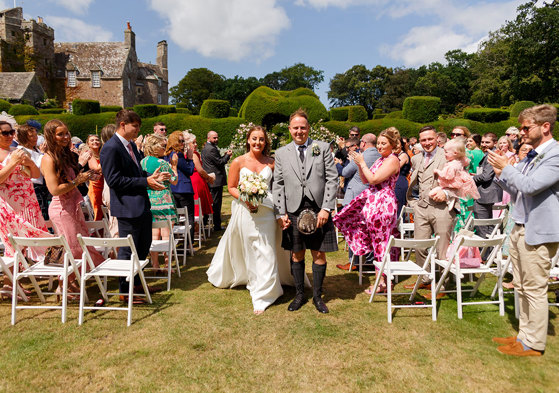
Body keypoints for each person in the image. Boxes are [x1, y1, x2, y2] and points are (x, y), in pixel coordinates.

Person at [488, 104, 559, 357]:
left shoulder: (555, 155)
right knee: (521, 286)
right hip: (520, 227)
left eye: (526, 127)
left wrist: (506, 167)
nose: (521, 132)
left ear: (545, 127)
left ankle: (534, 344)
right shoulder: (532, 156)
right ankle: (523, 336)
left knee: (534, 288)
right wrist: (501, 172)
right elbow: (517, 191)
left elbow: (530, 186)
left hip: (538, 232)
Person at [208, 126, 295, 314]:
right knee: (252, 250)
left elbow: (279, 189)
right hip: (246, 212)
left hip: (267, 212)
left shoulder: (272, 163)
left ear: (266, 142)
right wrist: (246, 199)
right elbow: (231, 187)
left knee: (268, 249)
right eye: (254, 139)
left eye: (261, 139)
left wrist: (282, 211)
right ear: (248, 140)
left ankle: (265, 294)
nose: (258, 142)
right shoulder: (238, 162)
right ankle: (256, 282)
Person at [273, 109, 338, 314]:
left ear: (308, 128)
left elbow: (332, 179)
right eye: (295, 128)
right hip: (292, 208)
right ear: (290, 130)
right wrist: (280, 212)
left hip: (319, 207)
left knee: (319, 254)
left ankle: (318, 297)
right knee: (296, 254)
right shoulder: (282, 153)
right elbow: (278, 184)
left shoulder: (323, 147)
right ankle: (300, 295)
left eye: (303, 127)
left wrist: (326, 208)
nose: (299, 131)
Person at [100, 109, 169, 303]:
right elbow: (114, 180)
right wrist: (145, 182)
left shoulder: (130, 146)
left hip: (141, 205)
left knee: (142, 246)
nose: (138, 130)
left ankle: (138, 284)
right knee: (128, 250)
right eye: (135, 126)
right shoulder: (111, 148)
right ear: (123, 125)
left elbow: (137, 174)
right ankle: (125, 290)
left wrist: (151, 179)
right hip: (127, 207)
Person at [42, 119, 105, 298]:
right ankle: (64, 285)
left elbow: (71, 178)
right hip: (61, 209)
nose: (65, 137)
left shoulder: (66, 154)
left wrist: (87, 176)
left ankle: (71, 282)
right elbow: (54, 189)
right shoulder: (48, 159)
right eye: (60, 134)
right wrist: (78, 180)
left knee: (78, 244)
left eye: (66, 133)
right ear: (51, 136)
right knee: (70, 246)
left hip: (73, 206)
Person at [333, 128, 400, 294]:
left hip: (384, 204)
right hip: (373, 202)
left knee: (382, 243)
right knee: (376, 242)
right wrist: (359, 165)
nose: (380, 146)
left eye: (384, 143)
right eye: (378, 143)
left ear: (392, 145)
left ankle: (382, 281)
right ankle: (381, 279)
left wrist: (362, 163)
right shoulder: (380, 160)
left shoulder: (392, 160)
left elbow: (375, 179)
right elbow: (366, 180)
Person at [0, 121, 51, 297]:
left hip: (28, 200)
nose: (9, 136)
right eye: (4, 133)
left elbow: (36, 176)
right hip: (9, 204)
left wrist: (30, 163)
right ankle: (10, 284)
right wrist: (12, 163)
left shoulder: (17, 151)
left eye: (11, 132)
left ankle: (12, 283)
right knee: (13, 243)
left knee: (21, 244)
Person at [405, 126, 456, 297]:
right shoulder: (416, 158)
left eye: (430, 139)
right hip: (421, 208)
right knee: (420, 245)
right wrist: (414, 203)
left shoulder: (448, 156)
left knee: (442, 249)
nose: (427, 143)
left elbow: (462, 182)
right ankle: (425, 279)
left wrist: (447, 193)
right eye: (423, 140)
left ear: (437, 139)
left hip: (442, 209)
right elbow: (415, 182)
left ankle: (443, 285)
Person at [336, 133, 381, 271]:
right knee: (369, 229)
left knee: (353, 229)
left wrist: (339, 164)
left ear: (363, 143)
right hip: (372, 196)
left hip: (355, 196)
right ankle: (370, 260)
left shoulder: (360, 157)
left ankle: (353, 261)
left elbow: (345, 172)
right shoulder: (380, 156)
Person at [140, 134, 178, 271]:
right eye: (163, 146)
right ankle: (168, 265)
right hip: (164, 199)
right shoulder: (162, 163)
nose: (165, 149)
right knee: (167, 234)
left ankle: (155, 264)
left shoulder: (142, 162)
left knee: (154, 234)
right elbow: (174, 180)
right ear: (155, 147)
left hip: (149, 200)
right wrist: (174, 166)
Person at [16, 123, 51, 220]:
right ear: (24, 137)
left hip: (42, 188)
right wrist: (43, 155)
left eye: (36, 135)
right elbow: (35, 167)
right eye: (31, 136)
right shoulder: (21, 151)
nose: (35, 138)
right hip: (32, 187)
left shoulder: (35, 150)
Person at [165, 131, 195, 241]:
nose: (183, 143)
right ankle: (189, 242)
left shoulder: (166, 154)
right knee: (189, 216)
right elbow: (189, 170)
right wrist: (190, 159)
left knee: (176, 217)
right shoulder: (178, 154)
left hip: (172, 189)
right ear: (175, 142)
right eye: (181, 141)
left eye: (184, 141)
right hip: (183, 189)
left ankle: (178, 240)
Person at [473, 133, 502, 240]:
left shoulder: (491, 155)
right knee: (488, 227)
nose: (484, 144)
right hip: (488, 194)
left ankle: (484, 255)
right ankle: (489, 253)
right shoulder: (490, 154)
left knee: (482, 228)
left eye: (487, 142)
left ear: (495, 143)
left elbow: (486, 177)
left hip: (485, 195)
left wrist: (472, 179)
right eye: (483, 142)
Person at [201, 130, 232, 231]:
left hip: (212, 179)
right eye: (214, 138)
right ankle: (217, 226)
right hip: (215, 180)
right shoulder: (211, 149)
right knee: (216, 204)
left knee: (213, 202)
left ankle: (208, 223)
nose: (216, 139)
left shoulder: (206, 148)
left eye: (217, 137)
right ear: (208, 138)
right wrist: (227, 156)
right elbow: (220, 162)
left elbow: (215, 161)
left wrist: (224, 155)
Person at [183, 131, 214, 218]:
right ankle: (197, 229)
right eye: (193, 142)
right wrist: (208, 177)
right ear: (188, 143)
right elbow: (200, 170)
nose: (196, 144)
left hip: (191, 181)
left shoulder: (182, 154)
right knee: (197, 207)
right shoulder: (193, 154)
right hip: (197, 182)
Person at [85, 134, 104, 220]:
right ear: (88, 144)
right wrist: (107, 158)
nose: (95, 142)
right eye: (92, 140)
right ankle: (96, 233)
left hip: (105, 185)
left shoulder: (101, 154)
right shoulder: (89, 154)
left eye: (97, 140)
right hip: (96, 187)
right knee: (97, 211)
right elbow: (97, 168)